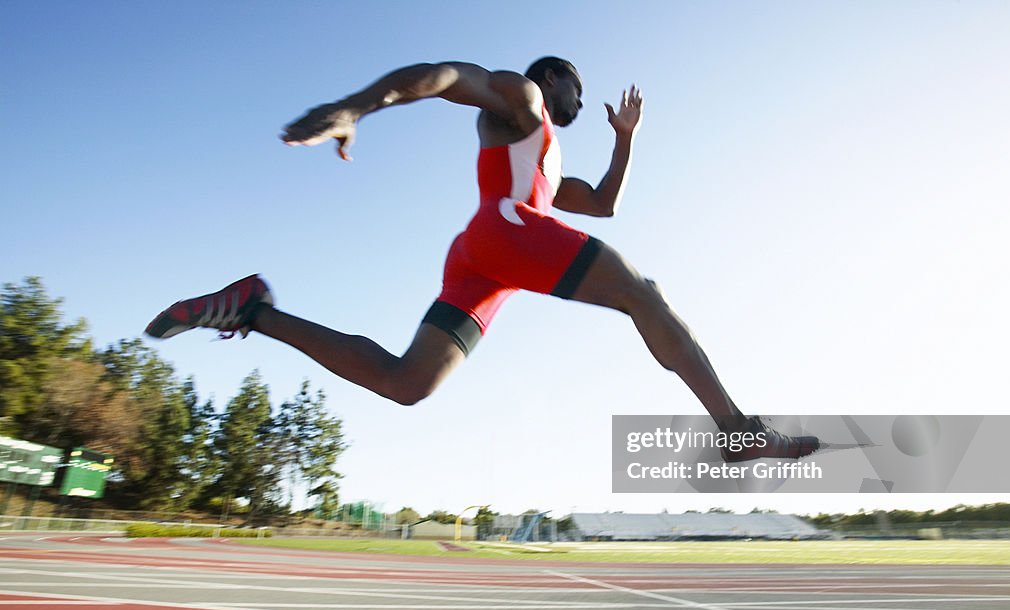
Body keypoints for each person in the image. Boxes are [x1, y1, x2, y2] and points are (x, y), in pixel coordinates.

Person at [144, 57, 819, 461]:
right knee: (644, 291)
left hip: (488, 254)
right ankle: (735, 429)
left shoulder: (548, 161)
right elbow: (443, 77)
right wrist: (357, 106)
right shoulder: (522, 101)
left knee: (409, 381)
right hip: (506, 229)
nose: (581, 102)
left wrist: (625, 140)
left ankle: (255, 311)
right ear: (551, 79)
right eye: (577, 90)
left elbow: (605, 204)